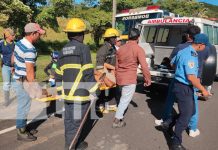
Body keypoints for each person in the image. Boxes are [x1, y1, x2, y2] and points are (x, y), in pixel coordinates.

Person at [155, 25, 210, 137]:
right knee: (193, 104)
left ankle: (165, 120)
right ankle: (193, 128)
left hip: (181, 79)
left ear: (188, 35)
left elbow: (171, 63)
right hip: (197, 79)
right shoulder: (206, 48)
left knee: (170, 99)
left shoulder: (181, 47)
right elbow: (205, 60)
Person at [55, 18, 98, 150]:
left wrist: (60, 93)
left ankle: (76, 143)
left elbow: (57, 74)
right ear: (81, 34)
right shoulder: (83, 48)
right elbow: (88, 73)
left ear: (68, 34)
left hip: (67, 95)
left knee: (69, 123)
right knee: (76, 124)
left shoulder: (62, 51)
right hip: (80, 96)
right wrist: (95, 89)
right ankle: (71, 146)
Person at [170, 33, 210, 150]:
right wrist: (204, 90)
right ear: (201, 45)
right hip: (183, 87)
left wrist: (179, 70)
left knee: (191, 111)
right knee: (185, 117)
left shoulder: (183, 50)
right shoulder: (191, 55)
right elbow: (191, 77)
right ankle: (175, 143)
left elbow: (172, 62)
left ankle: (168, 123)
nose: (205, 48)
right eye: (205, 46)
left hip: (181, 85)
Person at [12, 23, 45, 141]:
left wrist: (15, 68)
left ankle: (24, 127)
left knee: (24, 105)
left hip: (18, 78)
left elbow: (12, 59)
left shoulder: (19, 42)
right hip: (24, 80)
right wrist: (36, 88)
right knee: (24, 106)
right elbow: (30, 73)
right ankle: (21, 132)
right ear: (33, 34)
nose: (40, 36)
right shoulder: (29, 49)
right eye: (38, 34)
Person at [112, 28, 151, 128]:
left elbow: (117, 65)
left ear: (128, 37)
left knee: (123, 98)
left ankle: (118, 116)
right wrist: (148, 79)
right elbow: (144, 66)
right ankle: (117, 120)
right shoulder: (138, 49)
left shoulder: (121, 48)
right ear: (138, 38)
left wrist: (117, 76)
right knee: (125, 99)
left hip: (120, 77)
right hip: (129, 78)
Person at [95, 28, 120, 113]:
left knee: (112, 88)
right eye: (114, 37)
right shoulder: (103, 49)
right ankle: (99, 106)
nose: (116, 39)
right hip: (103, 73)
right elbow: (100, 66)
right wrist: (106, 76)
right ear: (109, 38)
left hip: (110, 72)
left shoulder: (113, 48)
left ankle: (111, 105)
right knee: (102, 90)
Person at [0, 28, 16, 106]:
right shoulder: (2, 43)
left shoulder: (15, 44)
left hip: (15, 67)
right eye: (12, 35)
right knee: (6, 84)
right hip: (6, 67)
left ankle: (15, 99)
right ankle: (7, 101)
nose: (14, 36)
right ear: (7, 36)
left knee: (15, 84)